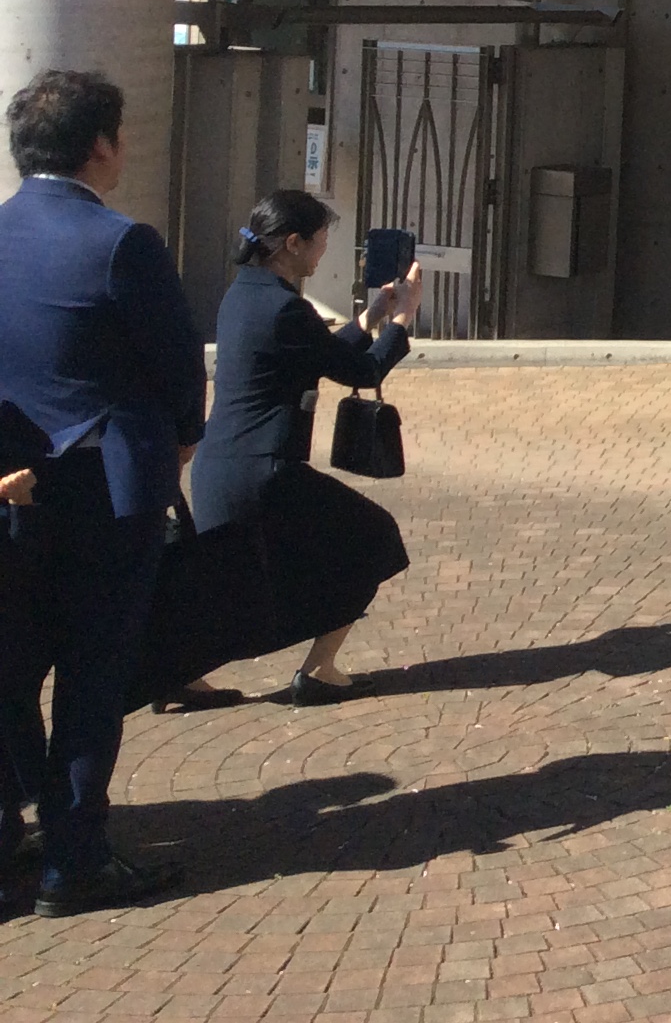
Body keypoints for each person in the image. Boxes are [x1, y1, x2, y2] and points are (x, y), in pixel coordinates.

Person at [0, 69, 204, 916]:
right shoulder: (122, 243)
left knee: (11, 670)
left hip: (11, 492)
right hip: (105, 492)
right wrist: (181, 439)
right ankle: (74, 860)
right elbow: (180, 370)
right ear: (100, 147)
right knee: (91, 675)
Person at [183, 190, 418, 707]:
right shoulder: (285, 308)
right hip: (265, 472)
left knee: (232, 580)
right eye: (319, 241)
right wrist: (402, 320)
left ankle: (178, 672)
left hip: (223, 467)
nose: (323, 252)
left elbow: (318, 353)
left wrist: (372, 317)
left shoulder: (244, 294)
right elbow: (362, 371)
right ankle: (319, 670)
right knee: (371, 537)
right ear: (293, 243)